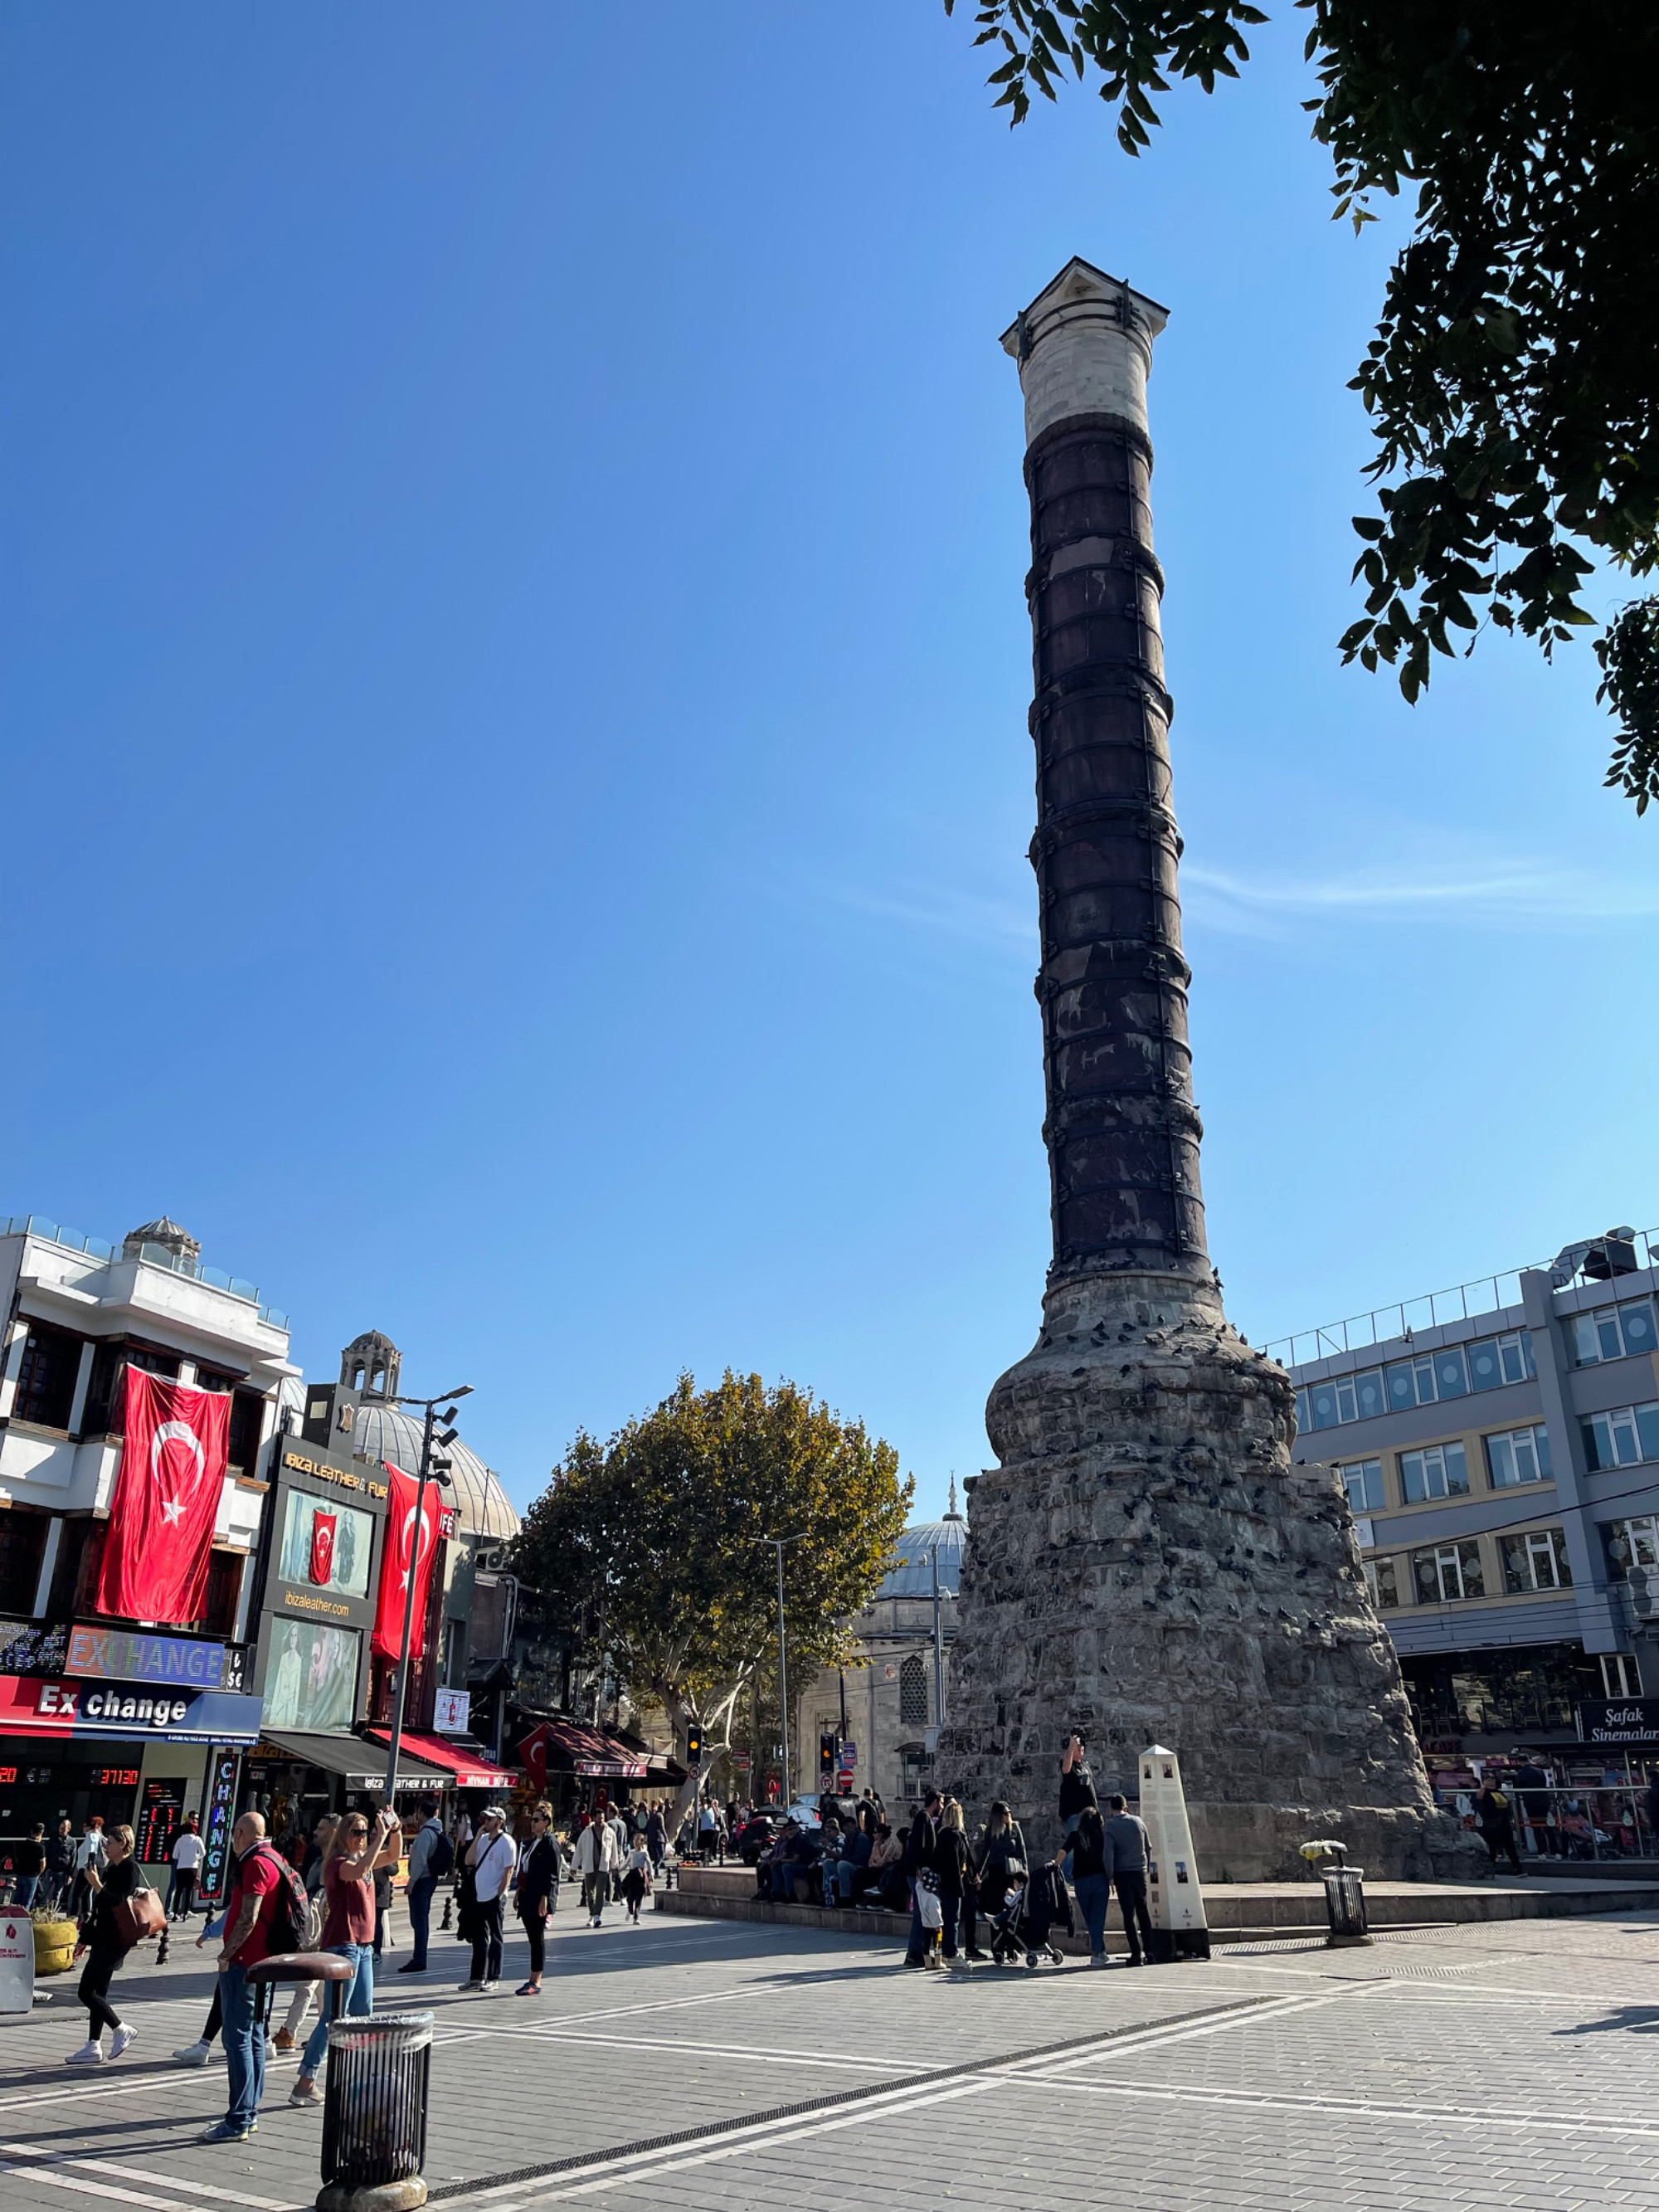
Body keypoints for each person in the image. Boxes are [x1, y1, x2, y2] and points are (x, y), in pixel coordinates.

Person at [289, 1806, 400, 2108]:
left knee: (363, 2012)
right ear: (344, 1835)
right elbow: (362, 1870)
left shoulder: (362, 1859)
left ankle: (354, 2073)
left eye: (366, 1832)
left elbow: (392, 1857)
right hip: (343, 1945)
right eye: (357, 1832)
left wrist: (395, 1830)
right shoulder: (337, 1863)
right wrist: (380, 1837)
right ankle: (305, 2081)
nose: (363, 1837)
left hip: (363, 1946)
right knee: (334, 2016)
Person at [202, 1811, 285, 2143]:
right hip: (266, 1962)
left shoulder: (255, 1864)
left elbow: (248, 1917)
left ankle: (238, 2118)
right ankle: (250, 2113)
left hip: (245, 1963)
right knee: (254, 2036)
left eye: (235, 1832)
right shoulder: (275, 1858)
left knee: (236, 2039)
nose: (233, 1839)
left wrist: (226, 1954)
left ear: (242, 1834)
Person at [64, 1823, 145, 2066]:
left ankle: (120, 2029)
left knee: (85, 1992)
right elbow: (99, 1911)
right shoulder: (114, 1868)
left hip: (114, 1940)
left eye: (110, 1843)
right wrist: (84, 1940)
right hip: (103, 1937)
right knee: (98, 1993)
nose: (106, 1848)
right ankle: (93, 2045)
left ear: (123, 1844)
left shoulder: (129, 1869)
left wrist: (96, 1883)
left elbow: (115, 1903)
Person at [274, 1814, 336, 2054]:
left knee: (307, 1983)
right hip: (314, 1924)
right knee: (317, 1985)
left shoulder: (333, 1860)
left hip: (321, 1929)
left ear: (333, 1832)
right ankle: (327, 2031)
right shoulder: (318, 1856)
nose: (315, 1832)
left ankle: (289, 2032)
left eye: (321, 1828)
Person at [461, 1804, 517, 1986]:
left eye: (491, 1819)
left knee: (495, 1937)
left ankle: (493, 1978)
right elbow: (469, 1860)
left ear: (500, 1822)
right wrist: (477, 1836)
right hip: (479, 1895)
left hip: (494, 1896)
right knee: (479, 1938)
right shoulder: (483, 1839)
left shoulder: (507, 1842)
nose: (487, 1821)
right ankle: (476, 1977)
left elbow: (509, 1870)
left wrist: (499, 1895)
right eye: (485, 1818)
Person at [1102, 1792, 1154, 1966]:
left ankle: (1136, 1954)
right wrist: (1145, 1866)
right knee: (1143, 1911)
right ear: (1126, 1807)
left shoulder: (1110, 1827)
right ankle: (1151, 1951)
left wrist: (1110, 1877)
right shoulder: (1138, 1822)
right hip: (1140, 1871)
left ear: (1111, 1810)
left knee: (1128, 1914)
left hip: (1123, 1873)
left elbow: (1108, 1855)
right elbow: (1148, 1847)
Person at [514, 1801, 559, 1995]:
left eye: (536, 1819)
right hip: (527, 1894)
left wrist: (545, 1898)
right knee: (532, 1938)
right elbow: (525, 1867)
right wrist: (518, 1891)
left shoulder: (550, 1843)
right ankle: (532, 1978)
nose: (532, 1822)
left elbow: (552, 1874)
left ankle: (536, 1980)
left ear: (546, 1822)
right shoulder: (533, 1842)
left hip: (539, 1897)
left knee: (537, 1938)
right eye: (532, 1819)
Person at [401, 1797, 446, 1975]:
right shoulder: (435, 1831)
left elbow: (419, 1860)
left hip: (422, 1880)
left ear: (421, 1813)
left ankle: (419, 1958)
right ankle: (420, 1957)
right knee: (421, 1920)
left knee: (419, 1921)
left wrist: (411, 1883)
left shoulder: (426, 1833)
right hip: (430, 1879)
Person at [1066, 1802, 1112, 1967]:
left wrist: (1055, 1864)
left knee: (1091, 1920)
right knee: (1098, 1919)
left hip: (1081, 1882)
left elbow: (1063, 1851)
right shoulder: (1102, 1836)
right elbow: (1109, 1857)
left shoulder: (1075, 1835)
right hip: (1099, 1880)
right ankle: (1096, 1954)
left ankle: (1101, 1952)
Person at [901, 1788, 943, 1969]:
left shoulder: (924, 1818)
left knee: (921, 1912)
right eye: (940, 1803)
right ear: (935, 1802)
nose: (942, 1807)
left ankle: (917, 1952)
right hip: (919, 1873)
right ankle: (914, 1953)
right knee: (920, 1913)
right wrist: (920, 1868)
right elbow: (920, 1846)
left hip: (920, 1871)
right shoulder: (923, 1818)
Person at [935, 1800, 977, 1971]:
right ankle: (950, 1953)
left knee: (948, 1918)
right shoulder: (954, 1836)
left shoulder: (942, 1834)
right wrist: (960, 1882)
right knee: (953, 1919)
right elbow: (956, 1862)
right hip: (953, 1882)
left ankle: (946, 1950)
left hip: (944, 1882)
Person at [973, 1802, 1028, 1925]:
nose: (1008, 1815)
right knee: (996, 1903)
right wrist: (978, 1872)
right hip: (996, 1870)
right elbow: (984, 1853)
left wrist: (1025, 1870)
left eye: (1009, 1812)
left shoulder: (1014, 1828)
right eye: (1005, 1813)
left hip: (1011, 1871)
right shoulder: (990, 1831)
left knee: (1010, 1902)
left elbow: (1021, 1849)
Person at [573, 1805, 620, 1927]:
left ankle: (597, 1915)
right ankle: (592, 1914)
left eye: (603, 1818)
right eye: (599, 1818)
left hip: (603, 1867)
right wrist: (574, 1866)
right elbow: (579, 1850)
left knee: (600, 1892)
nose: (601, 1820)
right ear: (594, 1818)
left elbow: (614, 1850)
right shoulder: (586, 1832)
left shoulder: (610, 1832)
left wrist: (614, 1865)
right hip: (589, 1866)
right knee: (590, 1893)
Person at [1477, 1780, 1523, 1873]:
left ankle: (1518, 1868)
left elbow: (1507, 1807)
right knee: (1492, 1847)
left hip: (1504, 1822)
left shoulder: (1500, 1792)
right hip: (1492, 1823)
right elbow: (1479, 1799)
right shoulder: (1484, 1793)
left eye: (1493, 1779)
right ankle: (1491, 1868)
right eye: (1488, 1780)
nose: (1491, 1782)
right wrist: (1483, 1787)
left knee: (1510, 1846)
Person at [1058, 1735, 1097, 1845]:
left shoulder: (1085, 1765)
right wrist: (1071, 1747)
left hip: (1089, 1813)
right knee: (1073, 1846)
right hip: (1075, 1813)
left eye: (1082, 1746)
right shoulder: (1068, 1765)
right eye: (1078, 1745)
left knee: (1089, 1845)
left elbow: (1092, 1789)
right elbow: (1065, 1769)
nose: (1081, 1747)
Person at [70, 1817, 107, 1922]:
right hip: (89, 1867)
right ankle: (86, 1916)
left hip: (87, 1868)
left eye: (85, 1825)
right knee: (86, 1894)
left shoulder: (92, 1835)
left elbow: (92, 1850)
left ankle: (75, 1917)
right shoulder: (98, 1836)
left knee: (78, 1894)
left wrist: (91, 1866)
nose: (83, 1828)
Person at [167, 1816, 204, 1921]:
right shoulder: (197, 1840)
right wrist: (196, 1857)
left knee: (178, 1891)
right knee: (188, 1891)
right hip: (192, 1868)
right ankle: (185, 1913)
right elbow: (203, 1853)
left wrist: (182, 1857)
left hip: (181, 1868)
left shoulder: (180, 1840)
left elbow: (174, 1855)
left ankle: (174, 1914)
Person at [12, 1823, 46, 1909]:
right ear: (40, 1833)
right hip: (32, 1876)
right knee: (26, 1902)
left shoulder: (22, 1844)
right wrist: (38, 1874)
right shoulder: (40, 1847)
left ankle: (13, 1918)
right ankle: (23, 1919)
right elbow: (43, 1864)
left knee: (17, 1901)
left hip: (21, 1874)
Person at [46, 1817, 76, 1912]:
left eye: (64, 1829)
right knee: (44, 1892)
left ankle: (52, 1913)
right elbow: (47, 1854)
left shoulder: (72, 1842)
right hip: (51, 1870)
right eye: (60, 1828)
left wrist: (71, 1875)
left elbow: (73, 1858)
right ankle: (40, 1909)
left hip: (63, 1872)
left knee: (57, 1895)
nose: (61, 1831)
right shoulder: (53, 1839)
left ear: (69, 1829)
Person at [620, 1836, 652, 1924]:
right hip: (632, 1875)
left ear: (642, 1842)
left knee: (639, 1898)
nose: (635, 1843)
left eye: (637, 1841)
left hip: (641, 1876)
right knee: (630, 1897)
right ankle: (629, 1910)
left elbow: (649, 1864)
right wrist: (618, 1870)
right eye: (634, 1841)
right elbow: (626, 1864)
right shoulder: (631, 1852)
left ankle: (636, 1918)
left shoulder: (644, 1852)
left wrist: (651, 1875)